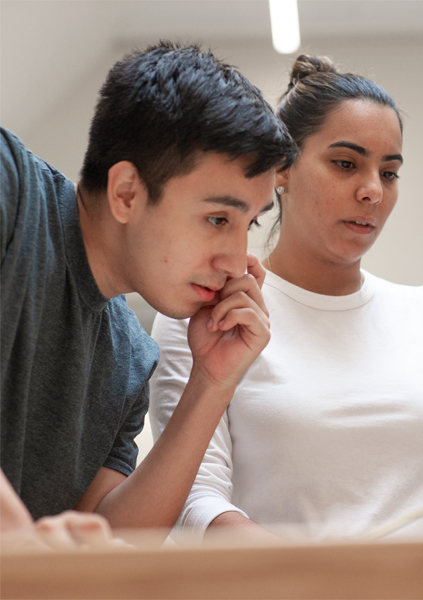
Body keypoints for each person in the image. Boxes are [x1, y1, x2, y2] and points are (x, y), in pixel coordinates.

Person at [150, 55, 423, 542]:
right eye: (345, 164)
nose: (372, 191)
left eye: (389, 173)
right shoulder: (210, 320)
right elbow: (196, 503)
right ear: (281, 169)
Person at [0, 42, 297, 550]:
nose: (235, 260)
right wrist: (21, 542)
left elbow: (112, 542)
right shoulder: (11, 188)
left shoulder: (132, 360)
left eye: (249, 223)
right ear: (126, 193)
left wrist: (212, 383)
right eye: (217, 219)